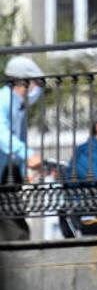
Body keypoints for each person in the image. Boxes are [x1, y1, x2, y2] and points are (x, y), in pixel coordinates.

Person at [0, 56, 44, 241]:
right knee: (16, 231)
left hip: (10, 170)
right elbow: (2, 134)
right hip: (5, 172)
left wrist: (26, 167)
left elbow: (37, 93)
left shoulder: (20, 101)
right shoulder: (3, 100)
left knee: (15, 224)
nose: (37, 87)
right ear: (24, 82)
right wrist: (28, 155)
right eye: (34, 82)